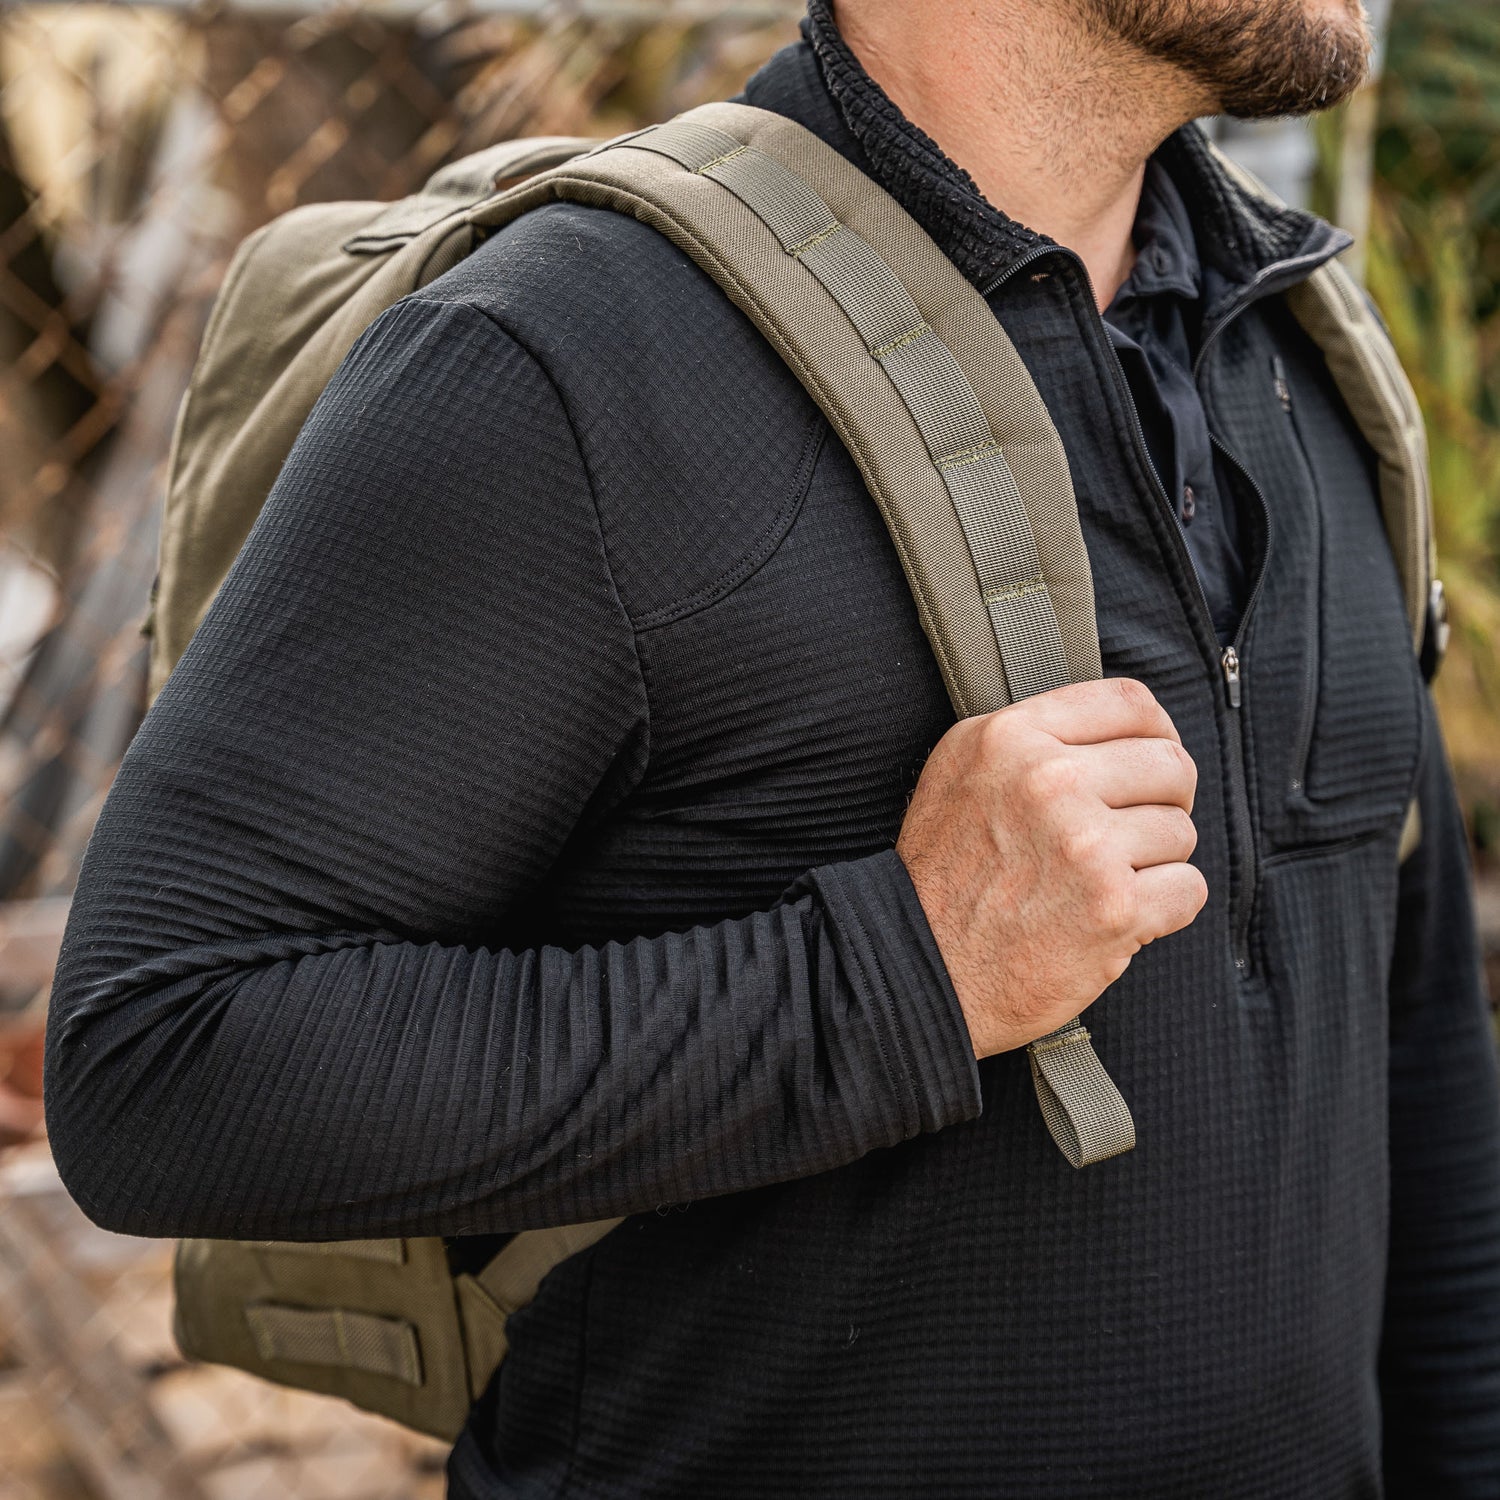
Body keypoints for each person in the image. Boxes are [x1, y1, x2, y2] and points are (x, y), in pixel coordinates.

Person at [44, 0, 1500, 1494]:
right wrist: (904, 979)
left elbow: (1421, 1066)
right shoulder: (568, 357)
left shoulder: (1304, 347)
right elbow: (155, 1057)